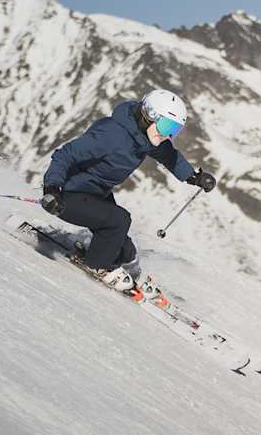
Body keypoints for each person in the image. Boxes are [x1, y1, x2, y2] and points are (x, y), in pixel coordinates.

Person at [40, 89, 217, 291]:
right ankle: (97, 265)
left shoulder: (145, 137)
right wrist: (52, 189)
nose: (168, 133)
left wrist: (193, 176)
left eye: (174, 129)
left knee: (125, 252)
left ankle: (98, 254)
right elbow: (66, 155)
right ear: (149, 115)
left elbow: (168, 155)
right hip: (67, 194)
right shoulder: (112, 134)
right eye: (167, 125)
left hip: (96, 194)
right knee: (119, 220)